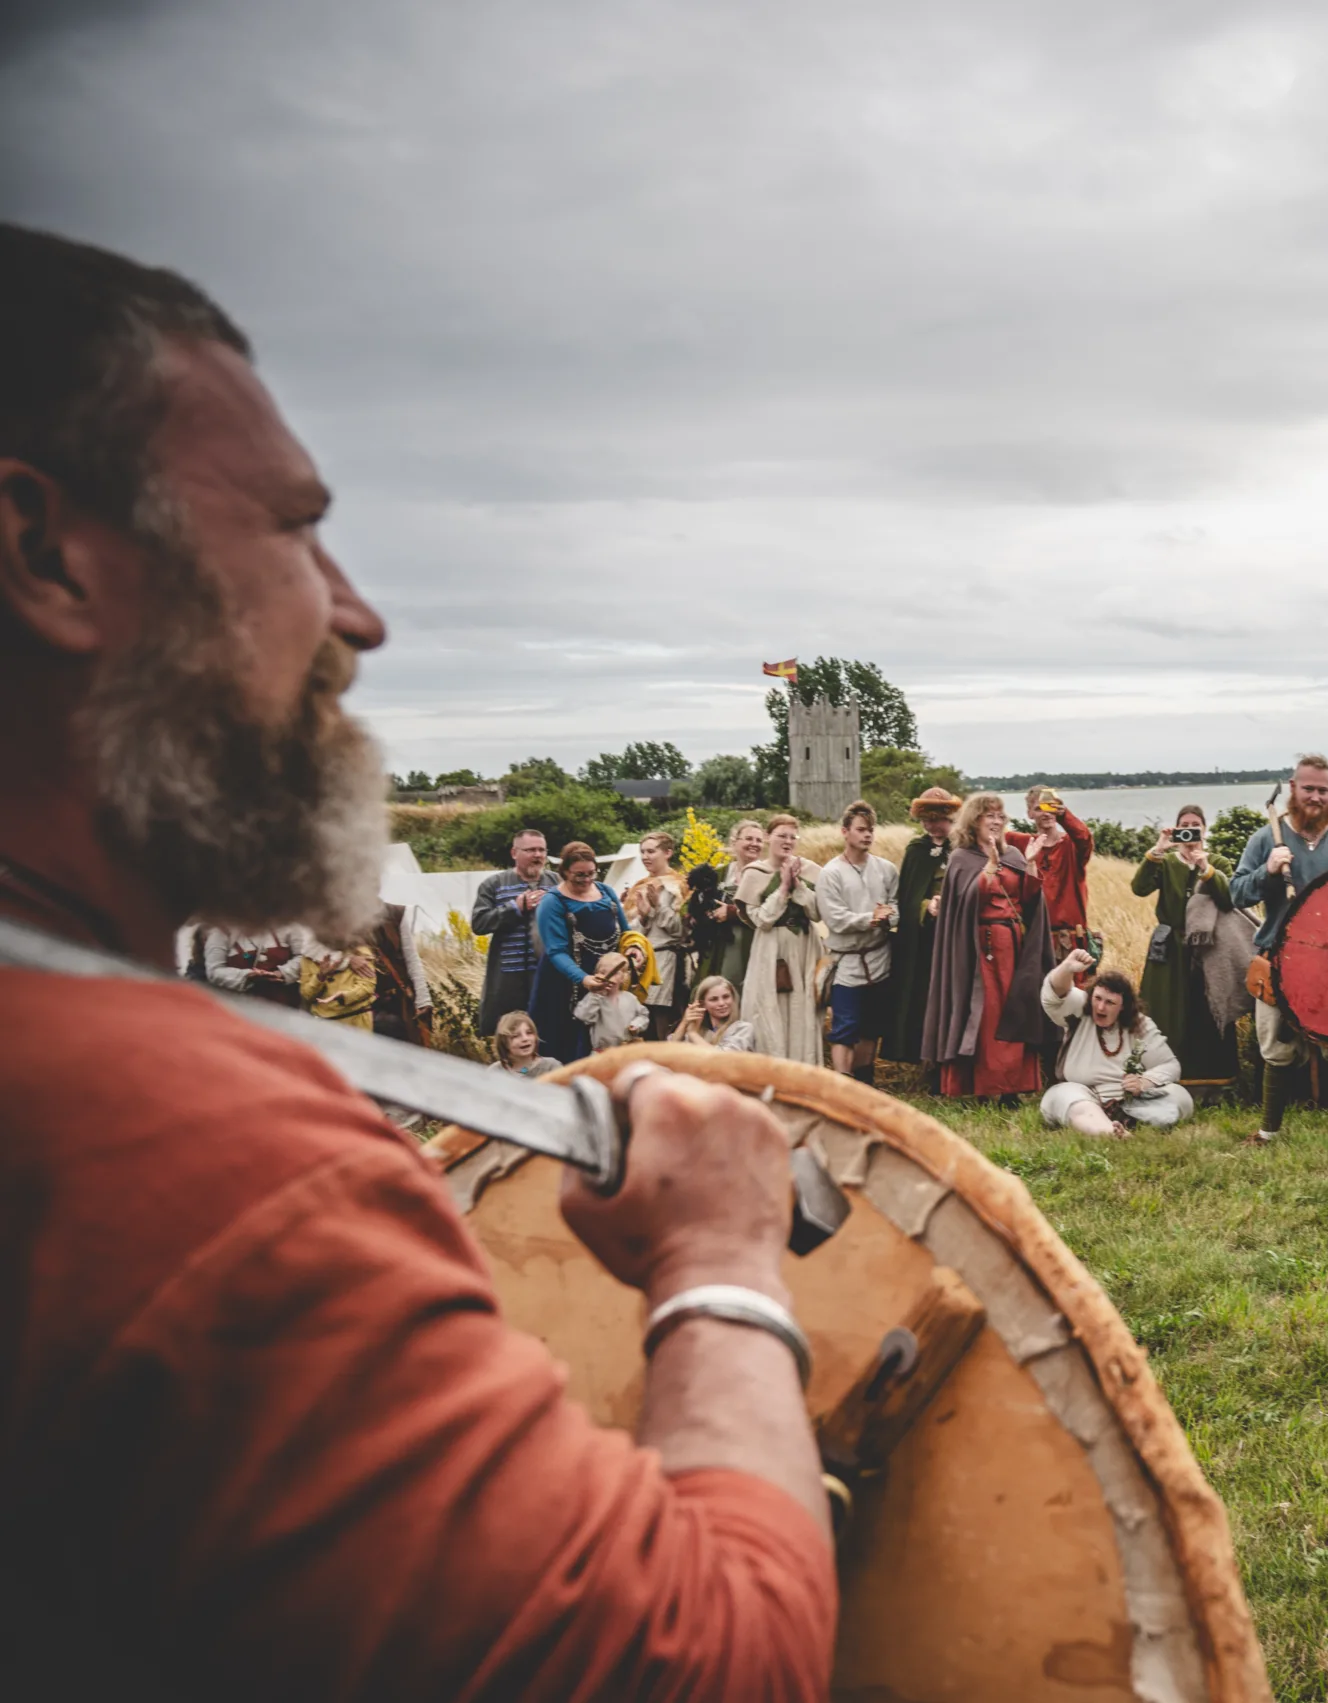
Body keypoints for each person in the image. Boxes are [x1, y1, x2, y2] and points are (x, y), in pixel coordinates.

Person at [0, 223, 831, 1695]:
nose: (358, 612)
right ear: (44, 552)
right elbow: (717, 1665)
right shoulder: (189, 1151)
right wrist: (716, 1260)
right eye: (291, 528)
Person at [1229, 754, 1328, 1147]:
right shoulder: (1266, 838)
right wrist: (1267, 871)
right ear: (1292, 788)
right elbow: (1237, 893)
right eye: (1308, 788)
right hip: (1280, 959)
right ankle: (1268, 1132)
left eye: (1323, 790)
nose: (1316, 797)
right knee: (1277, 1048)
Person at [919, 790, 1050, 1099]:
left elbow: (1028, 901)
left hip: (1014, 946)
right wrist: (989, 867)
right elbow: (965, 903)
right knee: (987, 1013)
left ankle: (1011, 1088)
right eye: (989, 815)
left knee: (1015, 1009)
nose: (996, 821)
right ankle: (984, 1086)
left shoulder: (1013, 854)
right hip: (980, 949)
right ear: (974, 821)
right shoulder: (961, 859)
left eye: (1000, 816)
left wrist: (1031, 865)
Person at [1131, 803, 1239, 1092]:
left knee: (1209, 1011)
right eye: (1184, 825)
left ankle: (1214, 1085)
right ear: (1177, 829)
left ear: (1204, 829)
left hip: (1208, 950)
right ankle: (1162, 1077)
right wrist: (1157, 850)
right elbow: (1139, 888)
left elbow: (1229, 899)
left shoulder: (1218, 861)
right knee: (1166, 1012)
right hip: (1170, 949)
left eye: (1195, 825)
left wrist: (1205, 868)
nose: (1190, 830)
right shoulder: (1167, 862)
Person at [1038, 948, 1192, 1134]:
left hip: (1132, 1101)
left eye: (1110, 1002)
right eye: (1097, 999)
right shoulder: (1080, 1009)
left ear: (1123, 1007)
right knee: (1061, 1096)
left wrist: (1144, 1082)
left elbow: (1170, 1065)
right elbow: (1054, 996)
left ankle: (1126, 1120)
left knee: (1180, 1096)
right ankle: (1108, 1131)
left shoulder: (1140, 1024)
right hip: (1084, 1095)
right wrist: (1067, 967)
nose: (1100, 1007)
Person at [528, 840, 629, 1066]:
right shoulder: (552, 902)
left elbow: (626, 932)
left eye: (591, 873)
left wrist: (634, 949)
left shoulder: (606, 891)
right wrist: (583, 979)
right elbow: (556, 951)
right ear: (564, 872)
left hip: (605, 978)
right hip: (564, 984)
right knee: (564, 1044)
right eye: (579, 875)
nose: (587, 879)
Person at [817, 800, 897, 1084]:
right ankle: (842, 1087)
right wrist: (870, 919)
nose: (867, 835)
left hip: (880, 958)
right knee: (844, 1028)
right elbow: (834, 919)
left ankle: (865, 1085)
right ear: (845, 832)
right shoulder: (831, 873)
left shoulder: (886, 869)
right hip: (846, 962)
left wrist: (889, 917)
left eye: (870, 830)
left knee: (871, 1029)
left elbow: (896, 906)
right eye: (861, 829)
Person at [735, 813, 824, 1067]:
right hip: (771, 948)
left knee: (803, 1006)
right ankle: (772, 1068)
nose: (787, 841)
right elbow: (761, 919)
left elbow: (817, 913)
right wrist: (783, 888)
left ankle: (803, 1067)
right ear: (767, 837)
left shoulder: (809, 869)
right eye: (781, 835)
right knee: (770, 1005)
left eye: (792, 837)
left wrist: (799, 886)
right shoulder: (755, 873)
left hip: (805, 946)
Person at [882, 786, 960, 1066]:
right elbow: (908, 898)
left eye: (937, 819)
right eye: (926, 819)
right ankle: (926, 1060)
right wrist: (927, 906)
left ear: (950, 817)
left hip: (955, 940)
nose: (931, 825)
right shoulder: (917, 850)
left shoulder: (964, 847)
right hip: (924, 941)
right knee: (923, 996)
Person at [468, 826, 556, 1035]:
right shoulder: (493, 885)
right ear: (514, 853)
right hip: (508, 979)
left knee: (548, 1034)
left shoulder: (557, 883)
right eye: (530, 850)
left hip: (547, 975)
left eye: (542, 850)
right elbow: (479, 923)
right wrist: (515, 908)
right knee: (510, 1036)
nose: (538, 855)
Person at [1009, 785, 1095, 969]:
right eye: (1039, 808)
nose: (1046, 813)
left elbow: (1084, 838)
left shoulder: (1071, 846)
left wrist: (1065, 816)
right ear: (1030, 813)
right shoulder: (1022, 843)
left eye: (1050, 806)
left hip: (1071, 939)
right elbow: (989, 835)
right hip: (1035, 938)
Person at [622, 828, 689, 1039]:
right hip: (640, 962)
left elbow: (681, 930)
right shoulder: (639, 886)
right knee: (640, 1022)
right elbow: (630, 931)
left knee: (663, 1023)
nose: (645, 857)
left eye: (651, 851)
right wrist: (644, 917)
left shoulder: (680, 885)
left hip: (667, 961)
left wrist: (658, 908)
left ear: (667, 853)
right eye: (642, 852)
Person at [696, 817, 766, 992]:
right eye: (749, 838)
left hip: (753, 944)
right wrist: (706, 913)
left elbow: (770, 912)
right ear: (734, 842)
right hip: (718, 946)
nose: (754, 844)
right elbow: (693, 906)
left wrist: (733, 912)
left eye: (759, 840)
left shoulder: (768, 875)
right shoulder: (719, 874)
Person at [366, 898, 435, 1046]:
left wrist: (423, 999)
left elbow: (411, 957)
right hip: (357, 1002)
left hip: (395, 999)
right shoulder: (342, 915)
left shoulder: (394, 912)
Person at [201, 922, 310, 1008]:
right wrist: (247, 975)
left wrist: (282, 973)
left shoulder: (287, 925)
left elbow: (303, 957)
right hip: (239, 1006)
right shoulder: (221, 932)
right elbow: (214, 971)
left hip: (283, 1003)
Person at [572, 949, 652, 1055]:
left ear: (623, 977)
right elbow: (583, 1015)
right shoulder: (595, 998)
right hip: (602, 1054)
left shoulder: (630, 998)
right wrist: (596, 995)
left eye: (615, 973)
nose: (608, 977)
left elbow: (643, 1015)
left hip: (626, 1053)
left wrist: (637, 1025)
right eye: (603, 972)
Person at [673, 973, 760, 1052]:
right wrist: (684, 1022)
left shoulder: (743, 1029)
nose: (721, 1003)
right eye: (714, 999)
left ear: (733, 998)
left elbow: (721, 1058)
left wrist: (693, 1034)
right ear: (703, 1004)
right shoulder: (700, 1030)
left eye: (726, 997)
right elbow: (671, 1052)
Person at [486, 1008, 562, 1077]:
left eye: (529, 1033)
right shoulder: (494, 1072)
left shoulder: (551, 1067)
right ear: (504, 1042)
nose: (525, 1038)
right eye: (515, 1036)